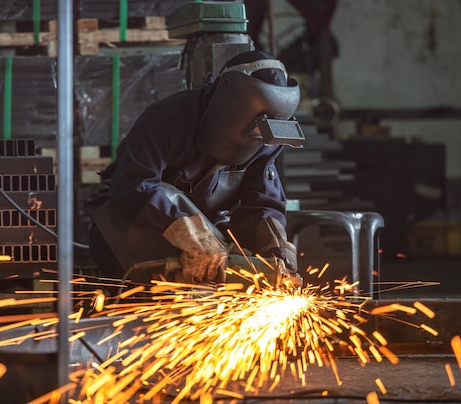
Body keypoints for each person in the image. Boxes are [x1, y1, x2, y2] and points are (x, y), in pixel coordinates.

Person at [88, 50, 302, 285]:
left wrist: (279, 253)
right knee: (167, 195)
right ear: (231, 104)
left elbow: (262, 204)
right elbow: (133, 187)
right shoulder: (168, 118)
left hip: (212, 238)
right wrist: (191, 237)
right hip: (128, 232)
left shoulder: (267, 138)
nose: (258, 138)